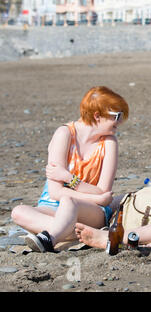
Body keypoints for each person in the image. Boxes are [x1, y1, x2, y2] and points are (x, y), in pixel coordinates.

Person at [11, 86, 129, 253]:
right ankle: (73, 232)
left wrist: (69, 178)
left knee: (69, 202)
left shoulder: (109, 143)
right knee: (18, 212)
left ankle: (49, 239)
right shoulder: (64, 134)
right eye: (117, 116)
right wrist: (96, 197)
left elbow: (103, 191)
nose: (120, 122)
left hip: (90, 210)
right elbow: (55, 193)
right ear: (97, 115)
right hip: (53, 206)